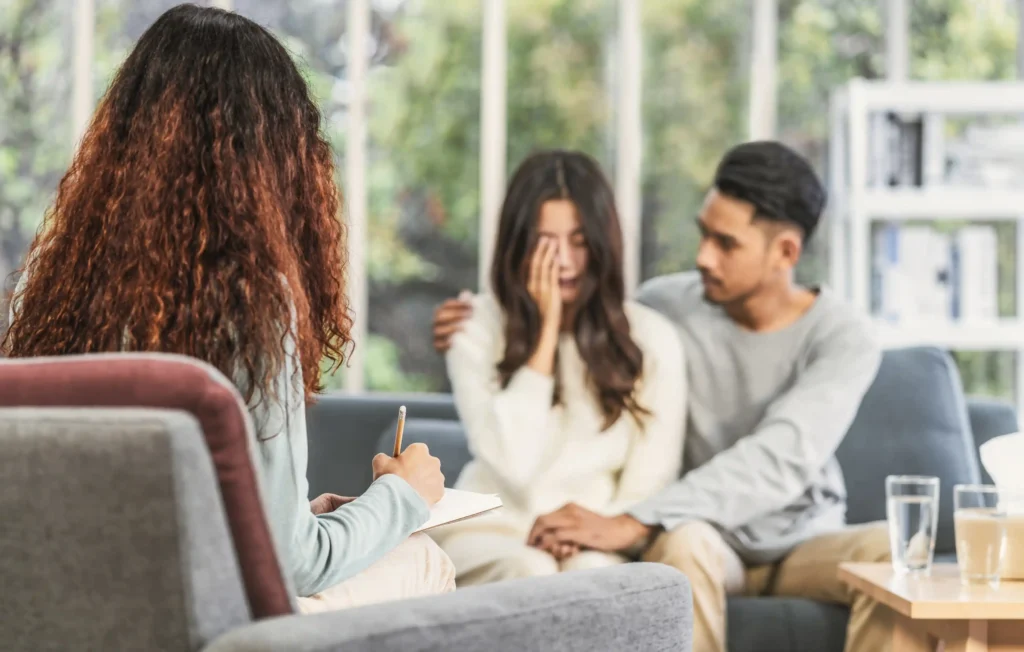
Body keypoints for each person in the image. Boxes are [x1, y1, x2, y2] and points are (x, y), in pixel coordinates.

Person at [4, 4, 453, 612]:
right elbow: (298, 563)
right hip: (212, 622)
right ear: (278, 160)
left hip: (71, 611)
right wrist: (403, 496)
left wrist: (305, 515)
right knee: (425, 558)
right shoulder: (251, 307)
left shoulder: (46, 288)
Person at [433, 141, 891, 652]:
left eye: (726, 243)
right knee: (685, 543)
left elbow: (781, 456)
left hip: (801, 537)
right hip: (698, 532)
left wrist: (631, 521)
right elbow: (597, 314)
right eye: (703, 234)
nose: (702, 257)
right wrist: (479, 317)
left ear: (785, 252)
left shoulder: (842, 336)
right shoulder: (668, 306)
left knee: (898, 553)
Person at [429, 150, 686, 585]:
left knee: (590, 578)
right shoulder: (473, 327)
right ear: (519, 244)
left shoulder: (652, 337)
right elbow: (512, 463)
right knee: (529, 569)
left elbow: (650, 480)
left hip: (596, 535)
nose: (564, 260)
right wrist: (544, 335)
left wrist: (596, 532)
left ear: (602, 244)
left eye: (580, 241)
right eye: (546, 241)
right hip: (491, 529)